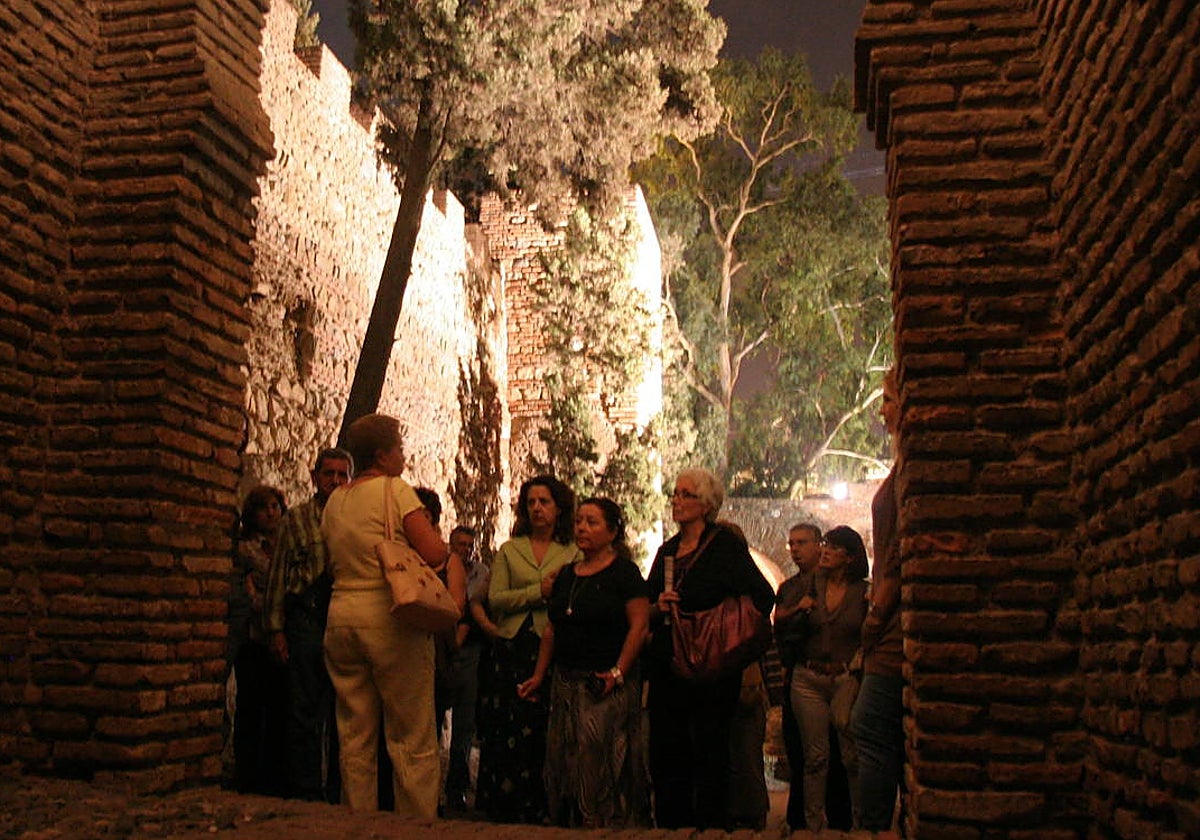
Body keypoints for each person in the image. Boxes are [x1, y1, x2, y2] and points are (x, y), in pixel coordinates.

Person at [321, 414, 448, 815]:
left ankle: (358, 822)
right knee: (411, 734)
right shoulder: (395, 491)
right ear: (382, 455)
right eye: (399, 448)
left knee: (354, 734)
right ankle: (415, 824)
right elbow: (433, 552)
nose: (404, 455)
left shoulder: (335, 501)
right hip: (390, 620)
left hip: (341, 617)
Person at [645, 468, 775, 830]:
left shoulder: (724, 546)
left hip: (714, 665)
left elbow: (762, 596)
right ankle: (673, 824)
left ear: (706, 504)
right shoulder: (668, 551)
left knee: (710, 745)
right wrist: (660, 605)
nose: (676, 500)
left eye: (686, 494)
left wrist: (722, 624)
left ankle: (710, 824)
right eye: (675, 493)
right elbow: (646, 603)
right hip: (670, 660)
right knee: (668, 746)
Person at [517, 497, 650, 828]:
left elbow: (639, 625)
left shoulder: (625, 573)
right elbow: (552, 629)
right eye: (579, 521)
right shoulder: (566, 575)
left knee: (600, 759)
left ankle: (605, 827)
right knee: (563, 759)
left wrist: (618, 671)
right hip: (566, 681)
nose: (582, 528)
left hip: (604, 682)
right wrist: (539, 675)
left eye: (592, 522)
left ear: (612, 530)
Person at [476, 475, 580, 824]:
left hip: (553, 648)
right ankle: (502, 806)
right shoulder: (510, 550)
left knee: (546, 727)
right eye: (531, 501)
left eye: (544, 501)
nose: (537, 507)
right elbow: (496, 600)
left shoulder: (573, 552)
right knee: (505, 726)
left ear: (559, 508)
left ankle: (546, 805)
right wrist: (538, 592)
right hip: (511, 650)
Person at [262, 448, 352, 802]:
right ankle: (304, 789)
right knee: (303, 708)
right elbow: (278, 576)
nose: (334, 480)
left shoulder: (355, 521)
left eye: (341, 474)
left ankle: (338, 788)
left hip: (343, 618)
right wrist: (276, 630)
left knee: (342, 709)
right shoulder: (295, 520)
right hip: (306, 621)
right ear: (314, 477)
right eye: (328, 473)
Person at [785, 525, 870, 831]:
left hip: (845, 679)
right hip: (808, 678)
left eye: (832, 547)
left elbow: (868, 635)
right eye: (825, 545)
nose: (825, 551)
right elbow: (779, 616)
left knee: (851, 756)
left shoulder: (863, 591)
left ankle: (861, 823)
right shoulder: (810, 585)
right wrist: (798, 608)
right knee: (816, 757)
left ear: (848, 557)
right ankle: (812, 826)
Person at [853, 368, 904, 831]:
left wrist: (878, 611)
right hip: (889, 623)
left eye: (888, 399)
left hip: (894, 628)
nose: (882, 410)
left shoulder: (912, 469)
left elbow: (899, 550)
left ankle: (871, 829)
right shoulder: (900, 465)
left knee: (869, 725)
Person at [229, 484, 289, 796]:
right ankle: (247, 774)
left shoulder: (286, 548)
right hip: (253, 639)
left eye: (275, 506)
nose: (270, 512)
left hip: (281, 639)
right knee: (251, 706)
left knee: (279, 708)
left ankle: (274, 776)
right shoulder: (244, 549)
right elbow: (246, 592)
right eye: (263, 507)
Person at [438, 525, 486, 814]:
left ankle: (456, 789)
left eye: (470, 545)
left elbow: (470, 603)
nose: (465, 550)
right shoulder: (438, 566)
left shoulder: (480, 572)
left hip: (469, 653)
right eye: (460, 544)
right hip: (440, 649)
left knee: (464, 725)